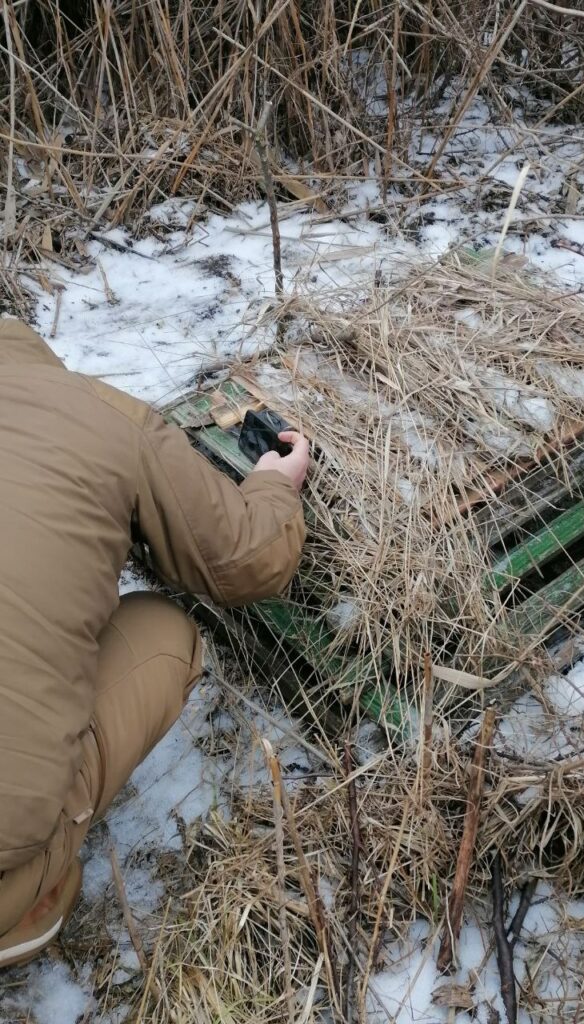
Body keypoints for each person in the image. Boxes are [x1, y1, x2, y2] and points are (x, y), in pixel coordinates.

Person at [0, 318, 309, 967]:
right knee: (165, 633)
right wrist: (276, 484)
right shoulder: (101, 413)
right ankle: (24, 909)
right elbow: (249, 559)